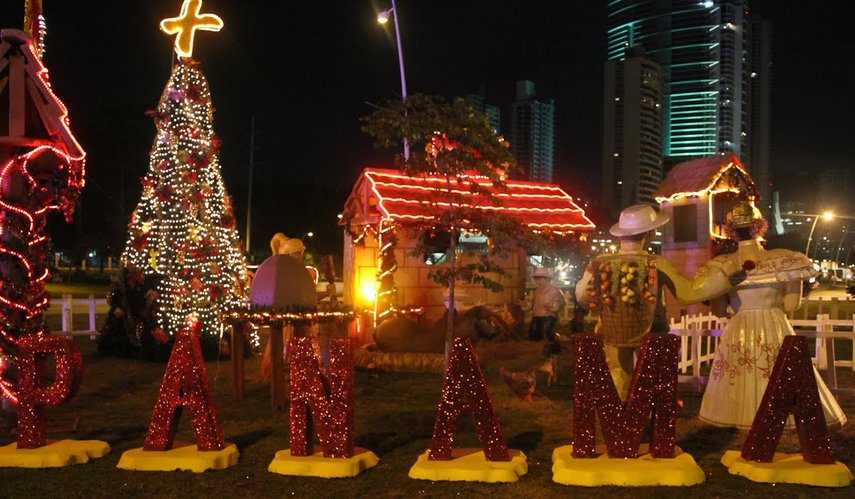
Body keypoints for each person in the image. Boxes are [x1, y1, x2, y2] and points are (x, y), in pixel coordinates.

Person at [698, 201, 847, 428]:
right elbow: (790, 305)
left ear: (731, 231)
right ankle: (782, 415)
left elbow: (718, 311)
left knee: (738, 370)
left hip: (739, 328)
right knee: (778, 368)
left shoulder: (719, 266)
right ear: (759, 226)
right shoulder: (784, 260)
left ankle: (735, 415)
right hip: (773, 324)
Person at [575, 204, 741, 400]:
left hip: (612, 330)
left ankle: (618, 423)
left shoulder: (598, 262)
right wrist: (723, 275)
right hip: (652, 329)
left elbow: (583, 298)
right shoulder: (657, 263)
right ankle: (647, 421)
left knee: (617, 376)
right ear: (650, 233)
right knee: (652, 380)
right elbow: (687, 293)